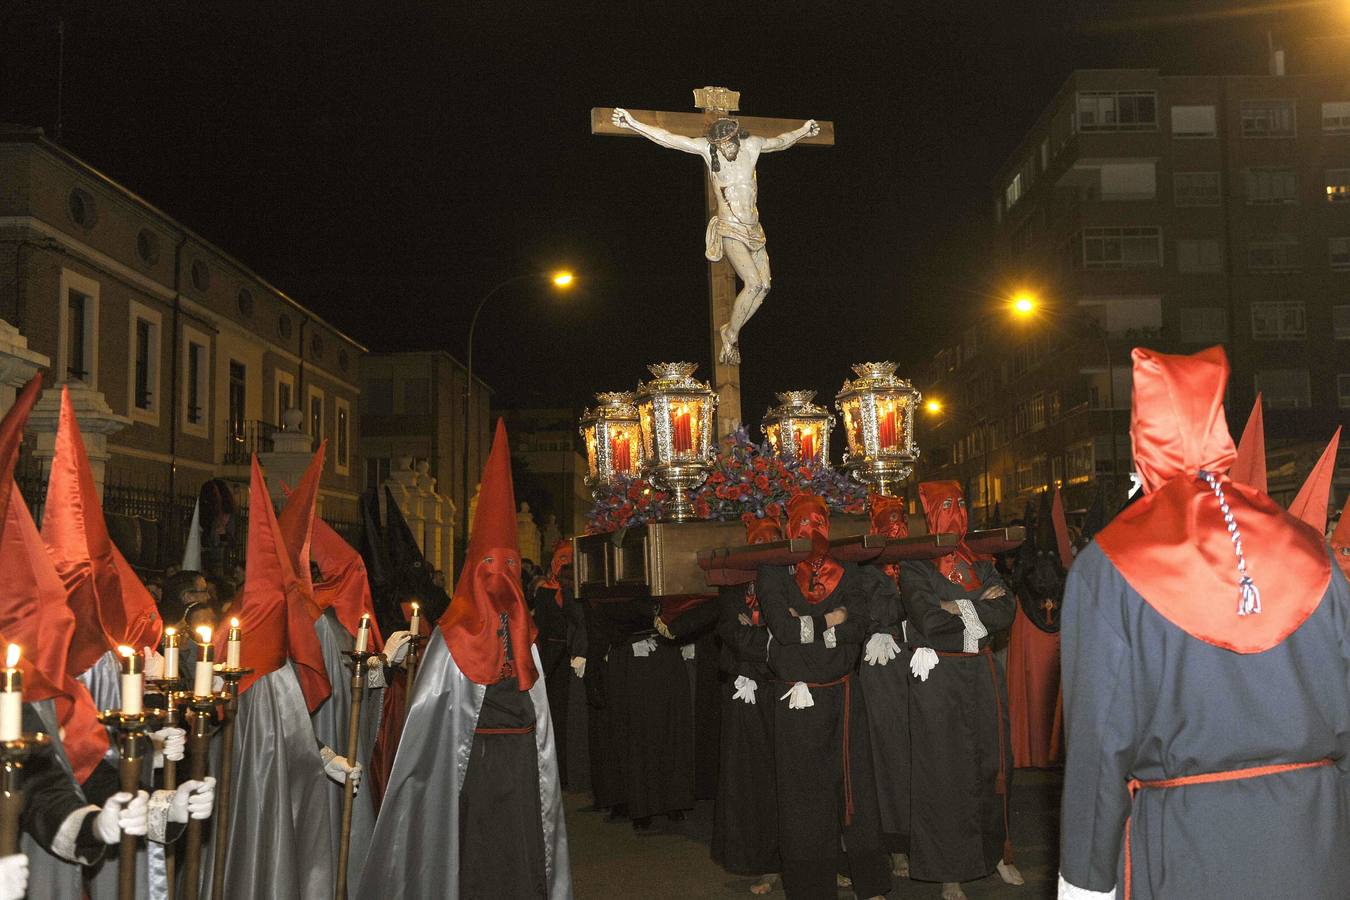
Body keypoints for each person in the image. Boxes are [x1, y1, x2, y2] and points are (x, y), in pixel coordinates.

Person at [1058, 347, 1350, 900]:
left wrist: (1084, 882)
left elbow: (1099, 749)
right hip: (1316, 845)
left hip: (1187, 852)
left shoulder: (1111, 563)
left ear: (1143, 436)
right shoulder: (1310, 548)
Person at [359, 420, 569, 898]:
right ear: (476, 571)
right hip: (473, 764)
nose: (502, 578)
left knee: (519, 848)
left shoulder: (526, 632)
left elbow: (539, 711)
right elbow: (428, 724)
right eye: (491, 567)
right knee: (477, 851)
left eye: (510, 567)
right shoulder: (452, 634)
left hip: (519, 763)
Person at [757, 493, 891, 900]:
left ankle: (870, 883)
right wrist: (835, 620)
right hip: (799, 701)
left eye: (819, 521)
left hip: (843, 697)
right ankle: (811, 889)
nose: (811, 531)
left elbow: (861, 621)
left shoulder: (847, 568)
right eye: (803, 522)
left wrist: (816, 624)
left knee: (856, 792)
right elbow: (781, 627)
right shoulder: (773, 571)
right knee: (804, 797)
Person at [611, 106, 819, 364]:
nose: (724, 149)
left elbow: (781, 142)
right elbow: (669, 138)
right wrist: (633, 124)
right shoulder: (708, 152)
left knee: (764, 287)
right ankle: (731, 334)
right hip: (729, 227)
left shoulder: (752, 146)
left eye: (727, 144)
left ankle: (731, 331)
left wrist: (804, 131)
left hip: (754, 229)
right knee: (753, 283)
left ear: (736, 137)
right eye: (719, 145)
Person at [898, 481, 1020, 900]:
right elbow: (927, 620)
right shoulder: (916, 565)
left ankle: (996, 853)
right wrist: (975, 604)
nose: (957, 510)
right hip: (941, 678)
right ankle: (947, 869)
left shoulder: (980, 561)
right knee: (944, 772)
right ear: (930, 511)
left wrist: (955, 606)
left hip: (981, 674)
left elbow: (1006, 610)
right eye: (947, 504)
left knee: (994, 763)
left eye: (962, 503)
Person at [713, 514, 785, 894]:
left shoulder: (790, 582)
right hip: (747, 692)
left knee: (793, 775)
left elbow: (794, 626)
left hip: (786, 686)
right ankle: (764, 862)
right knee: (754, 778)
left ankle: (804, 858)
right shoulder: (732, 588)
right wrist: (774, 638)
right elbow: (735, 633)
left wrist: (771, 635)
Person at [531, 541, 586, 789]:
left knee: (571, 716)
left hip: (573, 658)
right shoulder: (545, 591)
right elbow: (540, 629)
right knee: (555, 716)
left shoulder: (577, 590)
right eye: (560, 558)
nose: (564, 563)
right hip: (554, 659)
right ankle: (557, 772)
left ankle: (571, 772)